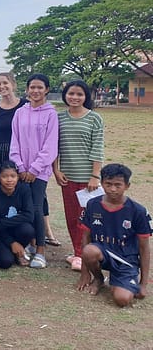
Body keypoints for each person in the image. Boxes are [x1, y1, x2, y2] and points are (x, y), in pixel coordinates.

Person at [77, 164, 151, 307]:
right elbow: (85, 238)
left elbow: (144, 248)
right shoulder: (92, 205)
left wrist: (143, 284)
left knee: (122, 299)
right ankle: (98, 279)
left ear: (127, 186)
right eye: (108, 184)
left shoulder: (138, 211)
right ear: (102, 183)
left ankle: (121, 280)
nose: (112, 189)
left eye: (118, 185)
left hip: (126, 260)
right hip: (102, 253)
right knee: (89, 250)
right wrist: (84, 273)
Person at [53, 79, 104, 272]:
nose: (74, 97)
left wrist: (95, 176)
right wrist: (56, 170)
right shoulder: (59, 118)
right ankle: (77, 254)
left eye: (79, 94)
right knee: (72, 217)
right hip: (67, 177)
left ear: (86, 97)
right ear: (65, 95)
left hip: (88, 178)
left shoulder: (94, 118)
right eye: (71, 93)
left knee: (89, 218)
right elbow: (54, 147)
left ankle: (90, 253)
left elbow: (97, 148)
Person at [9, 73, 58, 269]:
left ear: (46, 89)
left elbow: (50, 145)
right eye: (32, 87)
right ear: (27, 89)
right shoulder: (20, 112)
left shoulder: (51, 113)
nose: (36, 91)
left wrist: (35, 169)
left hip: (40, 172)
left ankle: (40, 251)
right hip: (20, 170)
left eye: (40, 87)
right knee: (22, 208)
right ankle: (27, 244)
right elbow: (15, 141)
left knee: (37, 209)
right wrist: (20, 167)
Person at [0, 161, 35, 269]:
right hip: (1, 235)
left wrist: (2, 223)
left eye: (13, 176)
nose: (9, 180)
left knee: (28, 230)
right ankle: (13, 250)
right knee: (5, 262)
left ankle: (20, 250)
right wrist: (11, 242)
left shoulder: (24, 189)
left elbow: (29, 215)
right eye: (5, 176)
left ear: (18, 177)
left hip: (17, 230)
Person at [0, 72, 26, 177]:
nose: (2, 86)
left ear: (13, 84)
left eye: (5, 83)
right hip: (1, 151)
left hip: (22, 151)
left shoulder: (26, 105)